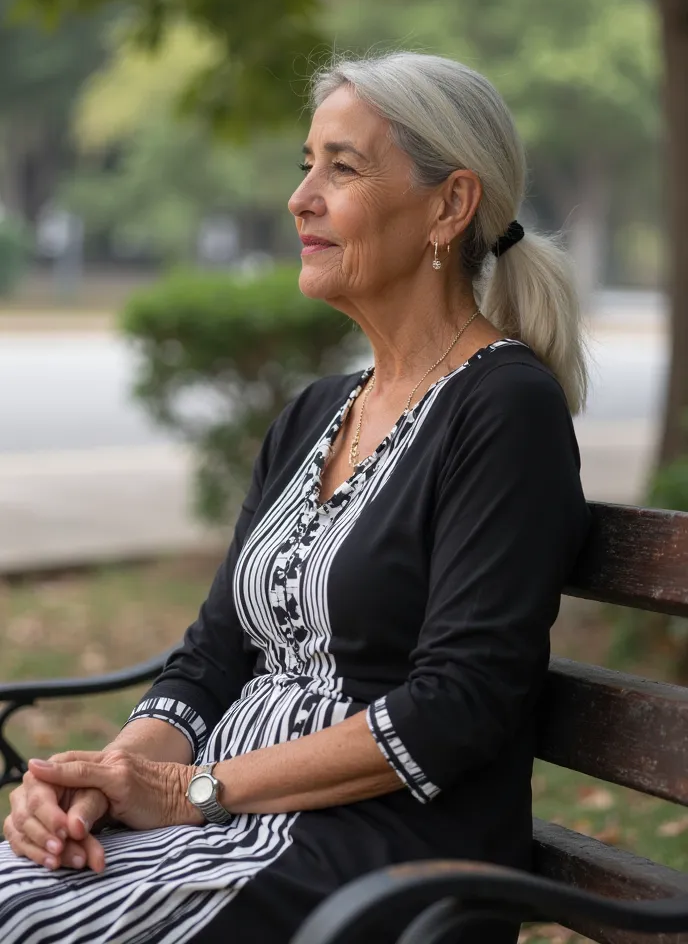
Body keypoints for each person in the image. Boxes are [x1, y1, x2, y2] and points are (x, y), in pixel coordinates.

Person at [0, 52, 591, 944]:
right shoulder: (318, 411)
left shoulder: (505, 408)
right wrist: (106, 779)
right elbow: (211, 660)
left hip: (379, 859)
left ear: (449, 205)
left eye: (342, 167)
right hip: (228, 830)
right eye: (304, 163)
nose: (300, 197)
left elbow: (456, 705)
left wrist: (192, 791)